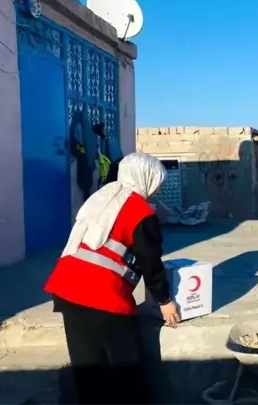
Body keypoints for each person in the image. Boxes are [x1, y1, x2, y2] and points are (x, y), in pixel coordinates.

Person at [43, 152, 180, 405]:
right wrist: (165, 300)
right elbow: (151, 263)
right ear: (146, 178)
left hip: (66, 290)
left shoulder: (102, 197)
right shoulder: (140, 211)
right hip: (103, 298)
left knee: (88, 372)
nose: (157, 190)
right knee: (127, 373)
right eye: (157, 183)